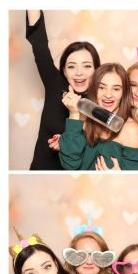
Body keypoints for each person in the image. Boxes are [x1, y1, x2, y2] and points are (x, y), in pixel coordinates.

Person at [25, 10, 101, 170]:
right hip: (41, 173)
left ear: (96, 70)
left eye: (87, 66)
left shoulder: (103, 99)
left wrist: (65, 144)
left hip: (79, 180)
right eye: (72, 67)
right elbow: (39, 44)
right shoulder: (55, 85)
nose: (79, 73)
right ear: (64, 71)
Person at [59, 63, 138, 171]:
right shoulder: (82, 118)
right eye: (101, 87)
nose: (108, 95)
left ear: (124, 93)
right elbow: (70, 165)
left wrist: (120, 176)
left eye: (116, 89)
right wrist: (73, 113)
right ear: (94, 89)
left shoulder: (130, 130)